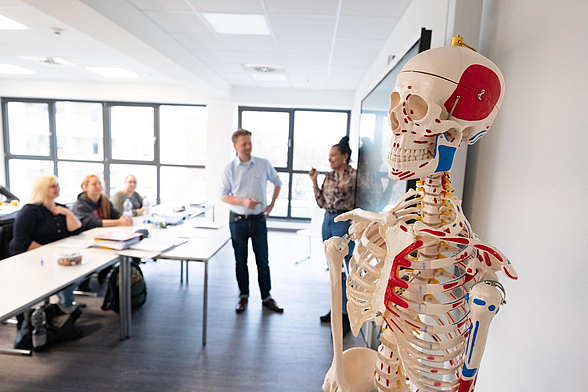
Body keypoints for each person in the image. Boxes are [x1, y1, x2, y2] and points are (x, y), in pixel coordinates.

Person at [220, 129, 284, 314]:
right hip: (237, 221)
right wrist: (243, 201)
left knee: (262, 261)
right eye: (244, 144)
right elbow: (223, 196)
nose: (248, 147)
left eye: (250, 143)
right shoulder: (229, 169)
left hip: (258, 220)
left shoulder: (263, 164)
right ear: (235, 146)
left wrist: (271, 205)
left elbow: (277, 182)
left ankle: (266, 297)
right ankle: (243, 297)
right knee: (240, 261)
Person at [9, 175, 83, 312]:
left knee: (77, 271)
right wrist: (50, 254)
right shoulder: (30, 211)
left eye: (58, 185)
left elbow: (77, 230)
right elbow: (22, 241)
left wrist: (67, 213)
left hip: (54, 255)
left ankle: (63, 306)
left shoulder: (60, 208)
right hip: (30, 258)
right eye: (53, 186)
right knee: (67, 274)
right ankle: (61, 308)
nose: (57, 188)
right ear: (43, 189)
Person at [309, 136, 356, 335]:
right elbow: (321, 202)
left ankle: (345, 315)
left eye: (334, 155)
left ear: (345, 156)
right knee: (332, 270)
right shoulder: (328, 176)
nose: (330, 159)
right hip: (327, 222)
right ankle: (335, 310)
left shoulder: (355, 176)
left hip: (343, 222)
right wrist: (314, 181)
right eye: (329, 156)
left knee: (344, 269)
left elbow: (365, 199)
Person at [73, 174, 133, 290]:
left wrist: (123, 219)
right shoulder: (80, 205)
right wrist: (119, 222)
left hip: (105, 238)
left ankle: (105, 272)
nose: (98, 186)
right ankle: (85, 281)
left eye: (99, 183)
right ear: (85, 187)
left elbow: (116, 215)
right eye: (94, 184)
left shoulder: (104, 201)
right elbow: (92, 223)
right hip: (86, 240)